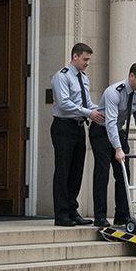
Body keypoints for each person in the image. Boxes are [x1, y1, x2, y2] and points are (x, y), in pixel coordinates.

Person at [89, 62, 136, 228]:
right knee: (102, 172)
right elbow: (110, 122)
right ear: (131, 76)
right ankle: (100, 217)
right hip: (101, 131)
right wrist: (117, 149)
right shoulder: (114, 92)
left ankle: (122, 216)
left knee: (124, 172)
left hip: (118, 132)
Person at [50, 42, 104, 226]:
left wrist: (101, 110)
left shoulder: (84, 77)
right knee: (63, 170)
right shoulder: (62, 77)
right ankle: (61, 214)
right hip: (63, 127)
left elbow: (87, 102)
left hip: (79, 127)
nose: (88, 63)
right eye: (85, 59)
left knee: (76, 171)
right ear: (75, 57)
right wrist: (90, 113)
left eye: (89, 59)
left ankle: (73, 211)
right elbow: (64, 103)